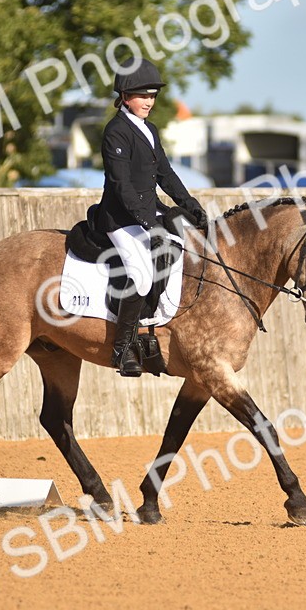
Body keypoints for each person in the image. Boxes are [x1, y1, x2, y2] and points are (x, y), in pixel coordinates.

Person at [92, 58, 208, 376]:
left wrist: (191, 204)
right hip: (120, 218)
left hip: (149, 211)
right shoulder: (116, 131)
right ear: (125, 95)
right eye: (143, 95)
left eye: (153, 95)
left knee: (183, 250)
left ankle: (151, 329)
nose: (149, 102)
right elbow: (121, 185)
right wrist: (148, 223)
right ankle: (123, 349)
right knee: (142, 274)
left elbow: (165, 174)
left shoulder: (150, 130)